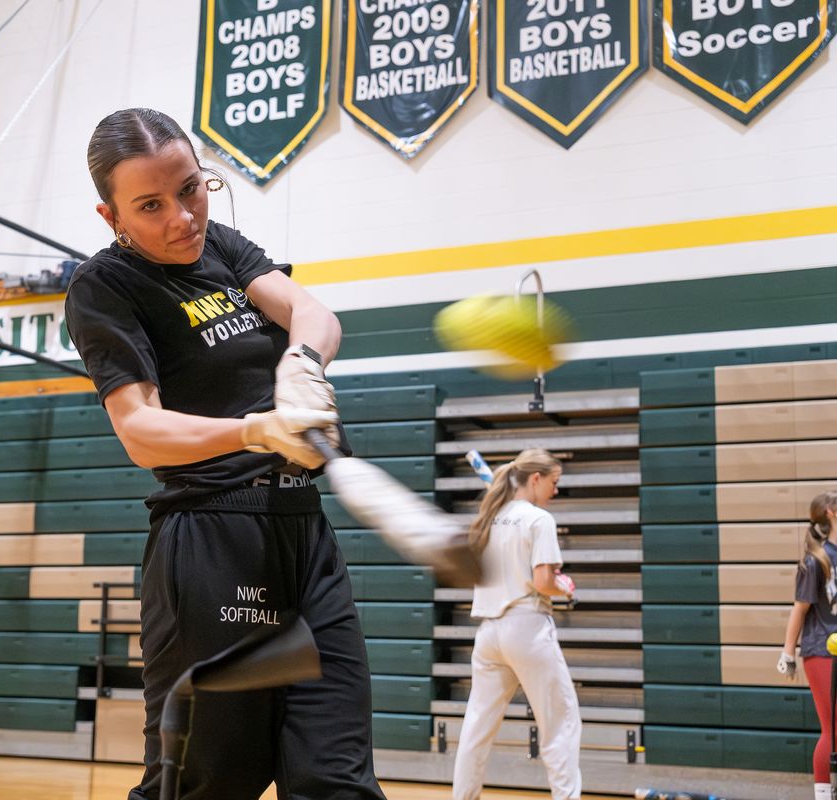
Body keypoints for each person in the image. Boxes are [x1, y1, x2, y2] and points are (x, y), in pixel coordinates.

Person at [63, 108, 386, 800]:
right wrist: (253, 431)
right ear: (109, 214)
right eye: (150, 205)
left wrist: (301, 362)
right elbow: (140, 429)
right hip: (213, 542)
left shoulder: (226, 248)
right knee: (208, 783)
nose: (182, 217)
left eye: (191, 188)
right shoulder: (107, 287)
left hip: (303, 535)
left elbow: (314, 313)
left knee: (336, 780)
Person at [452, 448, 581, 800]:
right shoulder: (539, 520)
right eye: (554, 483)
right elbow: (543, 583)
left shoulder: (488, 517)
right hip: (527, 628)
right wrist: (565, 588)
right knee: (561, 724)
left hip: (489, 633)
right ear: (535, 479)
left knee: (477, 728)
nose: (555, 491)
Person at [779, 490, 837, 800]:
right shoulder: (815, 561)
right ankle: (823, 795)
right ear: (831, 512)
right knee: (833, 729)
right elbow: (800, 609)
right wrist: (788, 652)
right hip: (821, 652)